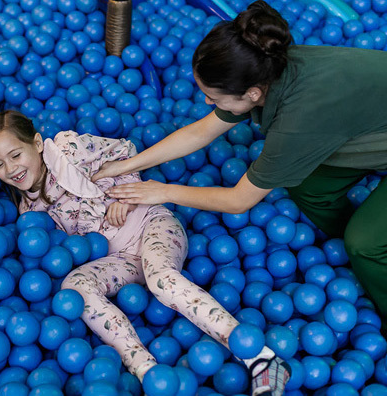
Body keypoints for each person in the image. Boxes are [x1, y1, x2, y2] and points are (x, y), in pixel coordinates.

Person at [95, 0, 387, 340]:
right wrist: (127, 164)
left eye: (215, 98)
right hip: (368, 126)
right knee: (307, 187)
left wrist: (162, 191)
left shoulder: (297, 121)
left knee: (363, 243)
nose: (207, 102)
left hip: (350, 127)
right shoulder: (263, 67)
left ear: (252, 94)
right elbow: (200, 132)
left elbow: (238, 201)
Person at [0, 110, 289, 395]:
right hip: (121, 260)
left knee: (161, 279)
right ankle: (146, 370)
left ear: (36, 143)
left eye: (16, 155)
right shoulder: (29, 212)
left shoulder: (68, 150)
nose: (11, 168)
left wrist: (125, 198)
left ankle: (261, 358)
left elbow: (124, 150)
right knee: (74, 287)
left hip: (150, 225)